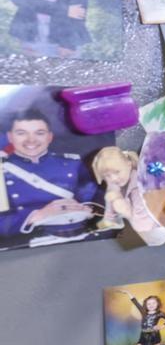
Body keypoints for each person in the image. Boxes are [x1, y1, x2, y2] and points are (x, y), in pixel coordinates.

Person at [0, 105, 100, 248]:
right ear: (10, 137)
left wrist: (89, 209)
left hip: (83, 238)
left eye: (39, 133)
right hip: (26, 246)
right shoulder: (2, 170)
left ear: (49, 137)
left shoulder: (73, 162)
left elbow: (98, 198)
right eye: (21, 133)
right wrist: (37, 215)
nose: (31, 140)